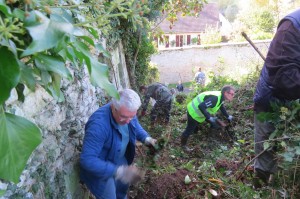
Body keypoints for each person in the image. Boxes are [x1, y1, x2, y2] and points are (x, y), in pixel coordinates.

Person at [253, 8, 300, 188]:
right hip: (270, 101)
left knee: (287, 150)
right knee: (266, 151)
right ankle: (260, 188)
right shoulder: (291, 28)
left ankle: (282, 184)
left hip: (292, 103)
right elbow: (283, 77)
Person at [79, 88, 157, 199]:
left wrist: (147, 139)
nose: (128, 121)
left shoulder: (127, 112)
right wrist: (119, 171)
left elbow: (135, 125)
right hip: (101, 167)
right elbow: (87, 160)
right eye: (124, 117)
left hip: (119, 158)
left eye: (132, 116)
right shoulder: (98, 125)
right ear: (113, 107)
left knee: (122, 190)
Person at [180, 85, 235, 151]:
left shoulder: (221, 97)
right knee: (189, 130)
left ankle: (197, 132)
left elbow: (221, 106)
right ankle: (183, 146)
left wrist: (228, 116)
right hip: (194, 112)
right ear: (226, 93)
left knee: (213, 123)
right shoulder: (215, 98)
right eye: (232, 94)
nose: (233, 96)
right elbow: (201, 106)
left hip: (200, 112)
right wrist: (209, 118)